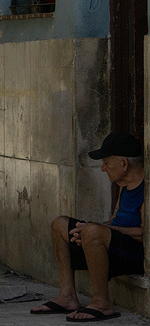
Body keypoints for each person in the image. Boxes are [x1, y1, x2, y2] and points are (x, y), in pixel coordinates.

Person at [31, 132, 144, 322]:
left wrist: (95, 231)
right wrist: (87, 230)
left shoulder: (146, 187)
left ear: (124, 164)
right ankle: (67, 296)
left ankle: (102, 303)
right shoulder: (124, 184)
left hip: (133, 253)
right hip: (113, 244)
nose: (102, 168)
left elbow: (144, 233)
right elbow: (114, 221)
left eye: (106, 163)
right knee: (60, 224)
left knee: (92, 230)